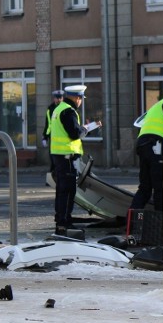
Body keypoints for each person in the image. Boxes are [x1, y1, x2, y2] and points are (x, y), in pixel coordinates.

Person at [50, 84, 100, 235]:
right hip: (67, 157)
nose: (81, 102)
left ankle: (62, 221)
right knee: (67, 191)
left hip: (60, 156)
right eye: (81, 99)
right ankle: (64, 224)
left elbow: (70, 132)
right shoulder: (69, 111)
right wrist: (87, 128)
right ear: (77, 98)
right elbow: (74, 133)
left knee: (62, 191)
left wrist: (82, 129)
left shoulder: (59, 109)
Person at [42, 89, 64, 173]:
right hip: (53, 138)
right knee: (53, 159)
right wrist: (45, 136)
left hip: (63, 138)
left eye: (60, 98)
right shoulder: (50, 109)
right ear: (54, 98)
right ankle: (52, 177)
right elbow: (48, 124)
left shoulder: (65, 108)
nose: (58, 99)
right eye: (57, 98)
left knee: (61, 160)